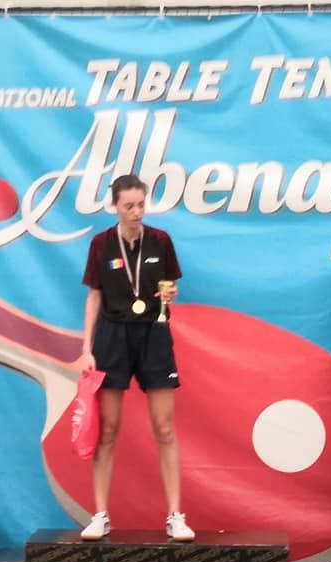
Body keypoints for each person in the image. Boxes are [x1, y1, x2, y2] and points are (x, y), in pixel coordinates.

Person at [77, 174, 194, 542]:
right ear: (115, 206)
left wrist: (171, 294)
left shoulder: (160, 240)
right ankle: (100, 514)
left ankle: (175, 515)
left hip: (153, 333)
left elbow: (171, 286)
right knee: (108, 429)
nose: (137, 212)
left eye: (141, 204)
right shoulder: (101, 244)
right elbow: (94, 296)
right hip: (112, 335)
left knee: (165, 428)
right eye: (129, 206)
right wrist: (86, 348)